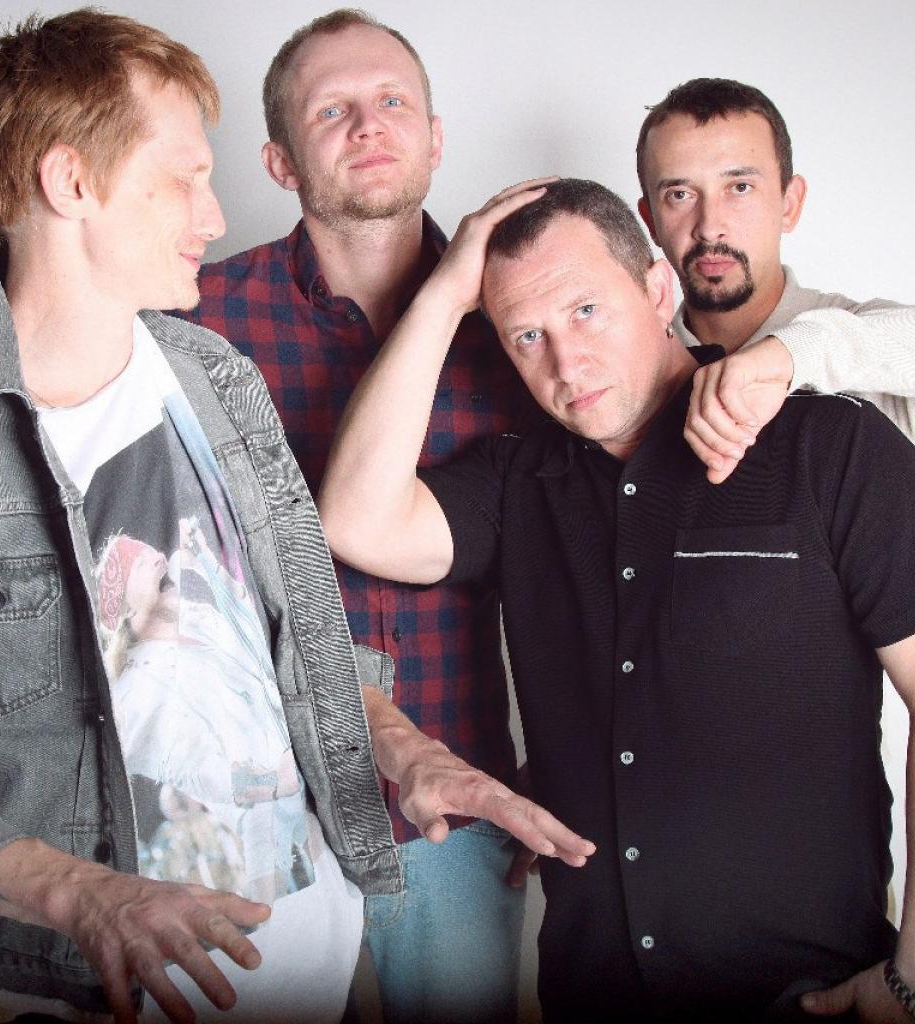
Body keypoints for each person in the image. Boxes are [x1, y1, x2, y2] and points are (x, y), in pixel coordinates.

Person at [0, 13, 592, 1024]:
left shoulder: (215, 376)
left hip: (311, 957)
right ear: (69, 182)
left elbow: (284, 645)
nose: (215, 215)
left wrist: (409, 752)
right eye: (184, 178)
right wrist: (83, 895)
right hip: (99, 992)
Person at [318, 176, 915, 1022]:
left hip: (808, 994)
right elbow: (355, 519)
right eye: (528, 336)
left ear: (658, 290)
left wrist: (911, 979)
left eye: (586, 311)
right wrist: (445, 293)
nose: (567, 364)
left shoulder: (831, 448)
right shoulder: (519, 480)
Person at [181, 10, 538, 1022]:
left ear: (435, 136)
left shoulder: (523, 321)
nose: (369, 125)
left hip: (455, 799)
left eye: (391, 102)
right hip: (260, 814)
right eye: (331, 110)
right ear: (279, 161)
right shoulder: (198, 318)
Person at [633, 77, 915, 482]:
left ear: (789, 204)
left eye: (740, 187)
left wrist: (791, 354)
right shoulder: (633, 371)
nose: (710, 227)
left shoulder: (870, 348)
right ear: (650, 221)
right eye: (680, 194)